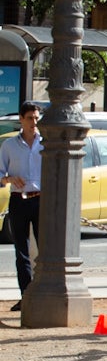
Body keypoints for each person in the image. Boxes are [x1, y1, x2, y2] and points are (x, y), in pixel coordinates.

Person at [0, 101, 43, 308]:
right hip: (19, 199)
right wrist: (9, 179)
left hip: (41, 199)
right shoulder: (9, 145)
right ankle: (26, 294)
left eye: (36, 118)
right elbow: (0, 174)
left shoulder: (45, 143)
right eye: (29, 118)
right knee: (21, 250)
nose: (34, 122)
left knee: (45, 249)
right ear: (21, 119)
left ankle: (43, 292)